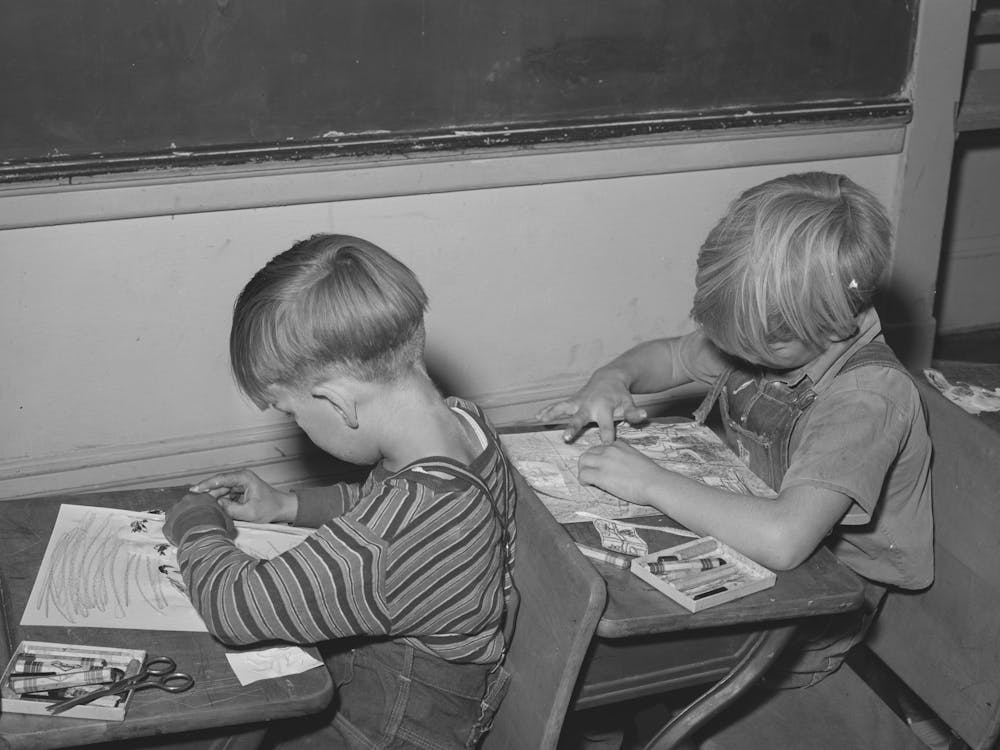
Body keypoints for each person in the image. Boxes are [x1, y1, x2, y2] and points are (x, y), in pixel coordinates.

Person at [538, 172, 934, 689]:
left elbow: (784, 539)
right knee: (581, 598)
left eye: (757, 346)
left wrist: (650, 482)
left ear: (838, 324)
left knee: (609, 666)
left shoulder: (866, 399)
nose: (738, 354)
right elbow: (670, 356)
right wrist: (612, 379)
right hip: (753, 530)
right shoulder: (784, 328)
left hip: (819, 604)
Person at [162, 233, 518, 750]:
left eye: (292, 412)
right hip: (399, 699)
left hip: (388, 731)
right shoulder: (465, 429)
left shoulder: (401, 534)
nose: (296, 426)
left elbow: (234, 607)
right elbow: (384, 503)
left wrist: (197, 526)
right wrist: (288, 505)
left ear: (338, 401)